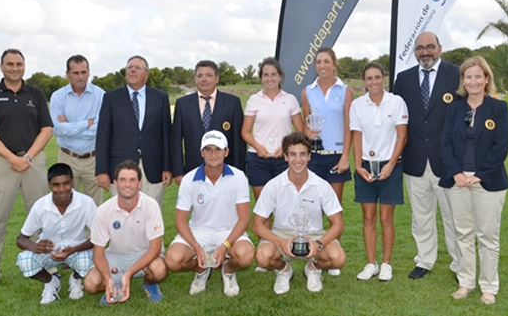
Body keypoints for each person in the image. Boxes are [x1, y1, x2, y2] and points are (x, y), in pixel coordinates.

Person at [0, 48, 53, 295]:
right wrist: (12, 158)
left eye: (19, 64)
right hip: (2, 163)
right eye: (10, 64)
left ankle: (48, 268)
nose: (15, 68)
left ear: (24, 66)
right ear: (1, 67)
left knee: (42, 218)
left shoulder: (35, 94)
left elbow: (47, 129)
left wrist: (27, 157)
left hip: (33, 161)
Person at [439, 56, 508, 305]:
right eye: (468, 76)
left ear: (487, 78)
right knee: (462, 234)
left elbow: (501, 148)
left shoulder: (498, 108)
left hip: (488, 183)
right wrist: (457, 172)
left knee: (488, 236)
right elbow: (444, 144)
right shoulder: (455, 108)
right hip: (457, 181)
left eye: (478, 76)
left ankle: (489, 287)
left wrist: (480, 175)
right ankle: (465, 283)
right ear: (463, 81)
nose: (473, 81)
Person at [392, 32, 460, 279]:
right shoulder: (404, 79)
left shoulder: (456, 74)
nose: (425, 52)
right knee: (421, 217)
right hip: (415, 160)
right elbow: (396, 119)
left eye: (430, 47)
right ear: (414, 52)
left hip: (448, 162)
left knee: (453, 217)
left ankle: (459, 264)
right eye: (420, 48)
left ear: (440, 48)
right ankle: (425, 260)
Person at [253, 132, 346, 294]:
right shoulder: (273, 185)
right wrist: (280, 242)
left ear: (309, 156)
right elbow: (256, 225)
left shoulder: (322, 185)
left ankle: (313, 268)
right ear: (286, 157)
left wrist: (319, 243)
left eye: (303, 154)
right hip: (282, 235)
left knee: (338, 258)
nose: (298, 160)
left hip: (314, 235)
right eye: (293, 154)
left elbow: (338, 224)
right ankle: (283, 270)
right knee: (262, 257)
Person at [165, 130, 254, 297]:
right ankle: (201, 269)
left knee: (245, 256)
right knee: (173, 260)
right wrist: (196, 246)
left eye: (218, 149)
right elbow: (180, 221)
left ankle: (227, 270)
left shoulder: (239, 177)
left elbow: (243, 219)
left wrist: (225, 245)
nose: (213, 154)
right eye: (208, 149)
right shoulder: (189, 179)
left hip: (229, 230)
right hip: (199, 231)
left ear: (226, 152)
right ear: (202, 153)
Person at [350, 63, 408, 281]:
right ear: (364, 81)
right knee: (368, 217)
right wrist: (357, 166)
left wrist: (391, 164)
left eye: (377, 77)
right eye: (369, 78)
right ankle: (371, 263)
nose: (373, 82)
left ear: (383, 78)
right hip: (366, 166)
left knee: (386, 218)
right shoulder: (357, 105)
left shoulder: (397, 102)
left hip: (390, 165)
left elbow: (402, 136)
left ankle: (386, 264)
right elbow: (356, 136)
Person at [84, 160, 168, 305]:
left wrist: (129, 274)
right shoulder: (103, 211)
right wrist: (107, 277)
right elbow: (98, 253)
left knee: (159, 270)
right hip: (115, 257)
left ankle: (149, 283)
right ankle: (113, 285)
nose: (127, 185)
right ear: (115, 183)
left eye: (132, 180)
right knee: (91, 284)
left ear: (139, 183)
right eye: (122, 180)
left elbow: (155, 248)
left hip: (143, 253)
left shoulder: (151, 205)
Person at [301, 47, 352, 276]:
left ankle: (333, 249)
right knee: (313, 207)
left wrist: (345, 157)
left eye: (326, 61)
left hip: (335, 155)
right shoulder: (307, 92)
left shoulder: (345, 90)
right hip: (315, 155)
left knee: (334, 207)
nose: (322, 66)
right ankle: (314, 251)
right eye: (318, 62)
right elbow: (304, 124)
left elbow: (349, 126)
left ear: (334, 64)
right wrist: (307, 133)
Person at [95, 55, 172, 207]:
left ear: (146, 74)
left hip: (152, 167)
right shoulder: (111, 98)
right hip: (120, 167)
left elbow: (166, 135)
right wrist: (101, 170)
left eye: (137, 67)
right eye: (129, 67)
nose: (132, 70)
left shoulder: (160, 98)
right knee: (121, 215)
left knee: (150, 213)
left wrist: (167, 168)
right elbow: (103, 136)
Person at [15, 163, 96, 304]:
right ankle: (51, 282)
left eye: (66, 183)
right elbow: (21, 239)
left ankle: (76, 279)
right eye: (56, 185)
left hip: (76, 248)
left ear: (72, 181)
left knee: (93, 259)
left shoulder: (86, 202)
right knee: (25, 261)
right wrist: (34, 247)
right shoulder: (41, 205)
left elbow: (99, 237)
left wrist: (74, 249)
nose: (62, 189)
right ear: (49, 185)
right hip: (49, 250)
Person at [171, 60, 245, 184]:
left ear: (217, 79)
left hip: (226, 171)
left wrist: (239, 171)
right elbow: (176, 140)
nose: (204, 79)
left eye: (209, 75)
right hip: (193, 171)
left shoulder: (232, 103)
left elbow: (238, 141)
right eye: (200, 76)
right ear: (195, 79)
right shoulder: (183, 104)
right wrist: (178, 171)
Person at [242, 58, 303, 200]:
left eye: (273, 74)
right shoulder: (254, 100)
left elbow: (299, 129)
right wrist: (257, 147)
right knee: (263, 206)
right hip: (258, 159)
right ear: (261, 78)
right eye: (266, 75)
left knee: (285, 205)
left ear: (280, 76)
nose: (270, 78)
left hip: (284, 159)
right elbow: (245, 131)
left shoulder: (290, 99)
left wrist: (285, 147)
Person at [50, 55, 105, 205]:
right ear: (67, 74)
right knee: (64, 203)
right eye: (75, 73)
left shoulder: (100, 95)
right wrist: (87, 123)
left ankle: (93, 231)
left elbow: (101, 130)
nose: (80, 77)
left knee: (95, 207)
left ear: (89, 72)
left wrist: (70, 126)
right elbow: (57, 130)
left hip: (93, 159)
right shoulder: (58, 97)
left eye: (84, 72)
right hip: (67, 157)